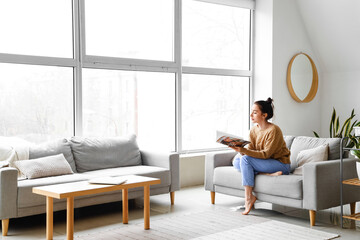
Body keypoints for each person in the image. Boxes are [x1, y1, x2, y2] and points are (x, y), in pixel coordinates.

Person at [230, 97, 291, 215]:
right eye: (251, 111)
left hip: (280, 164)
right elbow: (251, 151)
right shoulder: (253, 130)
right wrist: (239, 150)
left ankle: (248, 198)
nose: (251, 115)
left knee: (245, 160)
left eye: (254, 112)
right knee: (237, 161)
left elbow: (266, 154)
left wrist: (245, 152)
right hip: (264, 164)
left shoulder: (274, 130)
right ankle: (264, 173)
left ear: (264, 115)